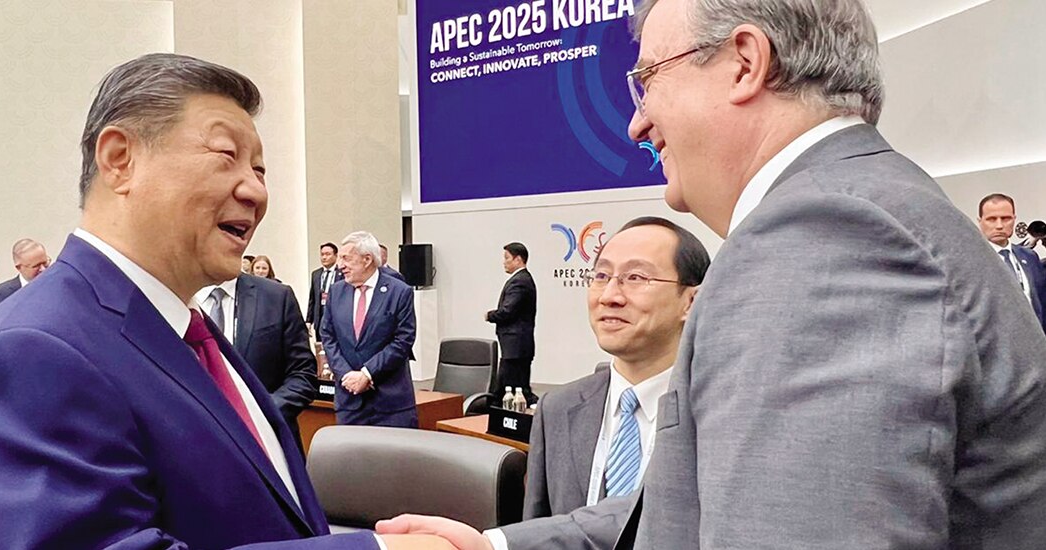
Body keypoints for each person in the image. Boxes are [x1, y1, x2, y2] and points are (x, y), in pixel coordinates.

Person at [377, 0, 1046, 548]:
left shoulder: (824, 234)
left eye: (648, 80)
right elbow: (703, 496)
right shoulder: (856, 209)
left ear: (744, 64)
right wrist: (492, 546)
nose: (638, 122)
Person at [0, 53, 446, 550]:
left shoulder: (186, 332)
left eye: (261, 169)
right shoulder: (32, 348)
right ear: (120, 159)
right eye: (226, 156)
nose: (256, 190)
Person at [523, 217, 707, 520]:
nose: (609, 296)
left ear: (691, 301)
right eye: (601, 276)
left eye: (635, 277)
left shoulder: (720, 416)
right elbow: (537, 531)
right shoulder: (556, 408)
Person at [196, 271, 319, 451]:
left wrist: (262, 413)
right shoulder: (169, 298)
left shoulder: (276, 297)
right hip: (197, 448)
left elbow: (303, 374)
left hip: (266, 447)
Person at [320, 231, 418, 427]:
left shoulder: (399, 292)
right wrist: (346, 374)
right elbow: (328, 336)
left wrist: (367, 374)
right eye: (339, 258)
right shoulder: (336, 291)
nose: (340, 265)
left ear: (366, 260)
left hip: (390, 404)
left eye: (346, 258)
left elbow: (403, 340)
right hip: (349, 402)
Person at [978, 193, 1046, 332]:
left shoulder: (1029, 256)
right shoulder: (971, 260)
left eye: (1006, 218)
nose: (999, 225)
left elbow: (1041, 301)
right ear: (980, 221)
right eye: (991, 219)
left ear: (1014, 219)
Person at [485, 242, 537, 403]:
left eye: (507, 258)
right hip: (516, 345)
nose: (504, 262)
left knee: (513, 388)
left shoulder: (520, 281)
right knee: (516, 386)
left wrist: (490, 315)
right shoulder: (522, 279)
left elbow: (508, 311)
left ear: (518, 260)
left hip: (516, 345)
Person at [307, 242, 340, 340]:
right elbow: (312, 299)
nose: (324, 257)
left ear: (336, 255)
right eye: (322, 254)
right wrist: (309, 321)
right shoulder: (316, 274)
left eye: (328, 254)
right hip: (320, 316)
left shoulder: (342, 273)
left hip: (336, 316)